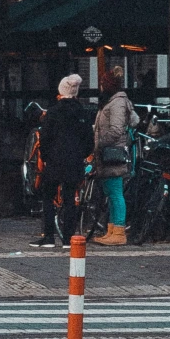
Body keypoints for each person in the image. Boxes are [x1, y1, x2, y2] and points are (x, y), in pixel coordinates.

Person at [37, 74, 93, 249]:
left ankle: (48, 237)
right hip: (74, 160)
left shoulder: (53, 112)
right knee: (70, 197)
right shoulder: (83, 112)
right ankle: (69, 238)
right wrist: (82, 154)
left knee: (48, 195)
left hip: (54, 160)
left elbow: (45, 138)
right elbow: (88, 140)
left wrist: (45, 157)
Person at [92, 71, 137, 247]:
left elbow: (117, 129)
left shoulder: (116, 103)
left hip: (111, 153)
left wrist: (100, 143)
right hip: (106, 153)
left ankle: (118, 230)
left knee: (116, 192)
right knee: (111, 192)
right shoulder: (113, 101)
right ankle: (111, 229)